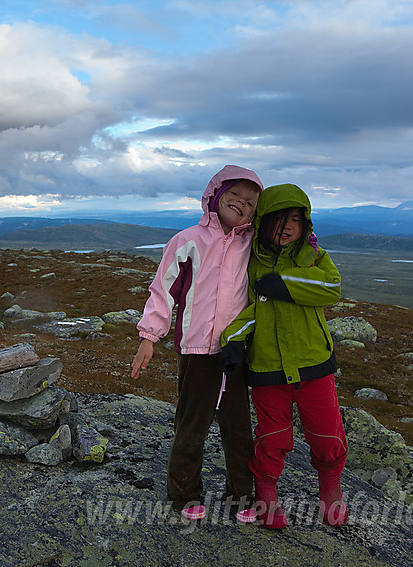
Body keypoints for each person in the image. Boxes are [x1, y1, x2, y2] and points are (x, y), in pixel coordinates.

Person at [131, 165, 263, 523]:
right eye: (235, 194)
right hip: (195, 351)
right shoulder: (187, 240)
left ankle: (242, 496)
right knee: (192, 425)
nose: (241, 203)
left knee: (237, 427)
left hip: (234, 350)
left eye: (250, 202)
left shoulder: (251, 244)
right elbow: (163, 292)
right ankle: (184, 493)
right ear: (216, 194)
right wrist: (149, 337)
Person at [219, 183, 348, 529]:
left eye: (296, 219)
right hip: (267, 370)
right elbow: (248, 310)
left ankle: (330, 491)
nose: (288, 226)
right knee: (272, 437)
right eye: (279, 218)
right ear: (263, 222)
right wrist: (231, 341)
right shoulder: (250, 265)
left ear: (306, 224)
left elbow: (331, 288)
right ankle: (267, 494)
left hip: (314, 366)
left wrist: (284, 282)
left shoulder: (313, 258)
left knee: (326, 433)